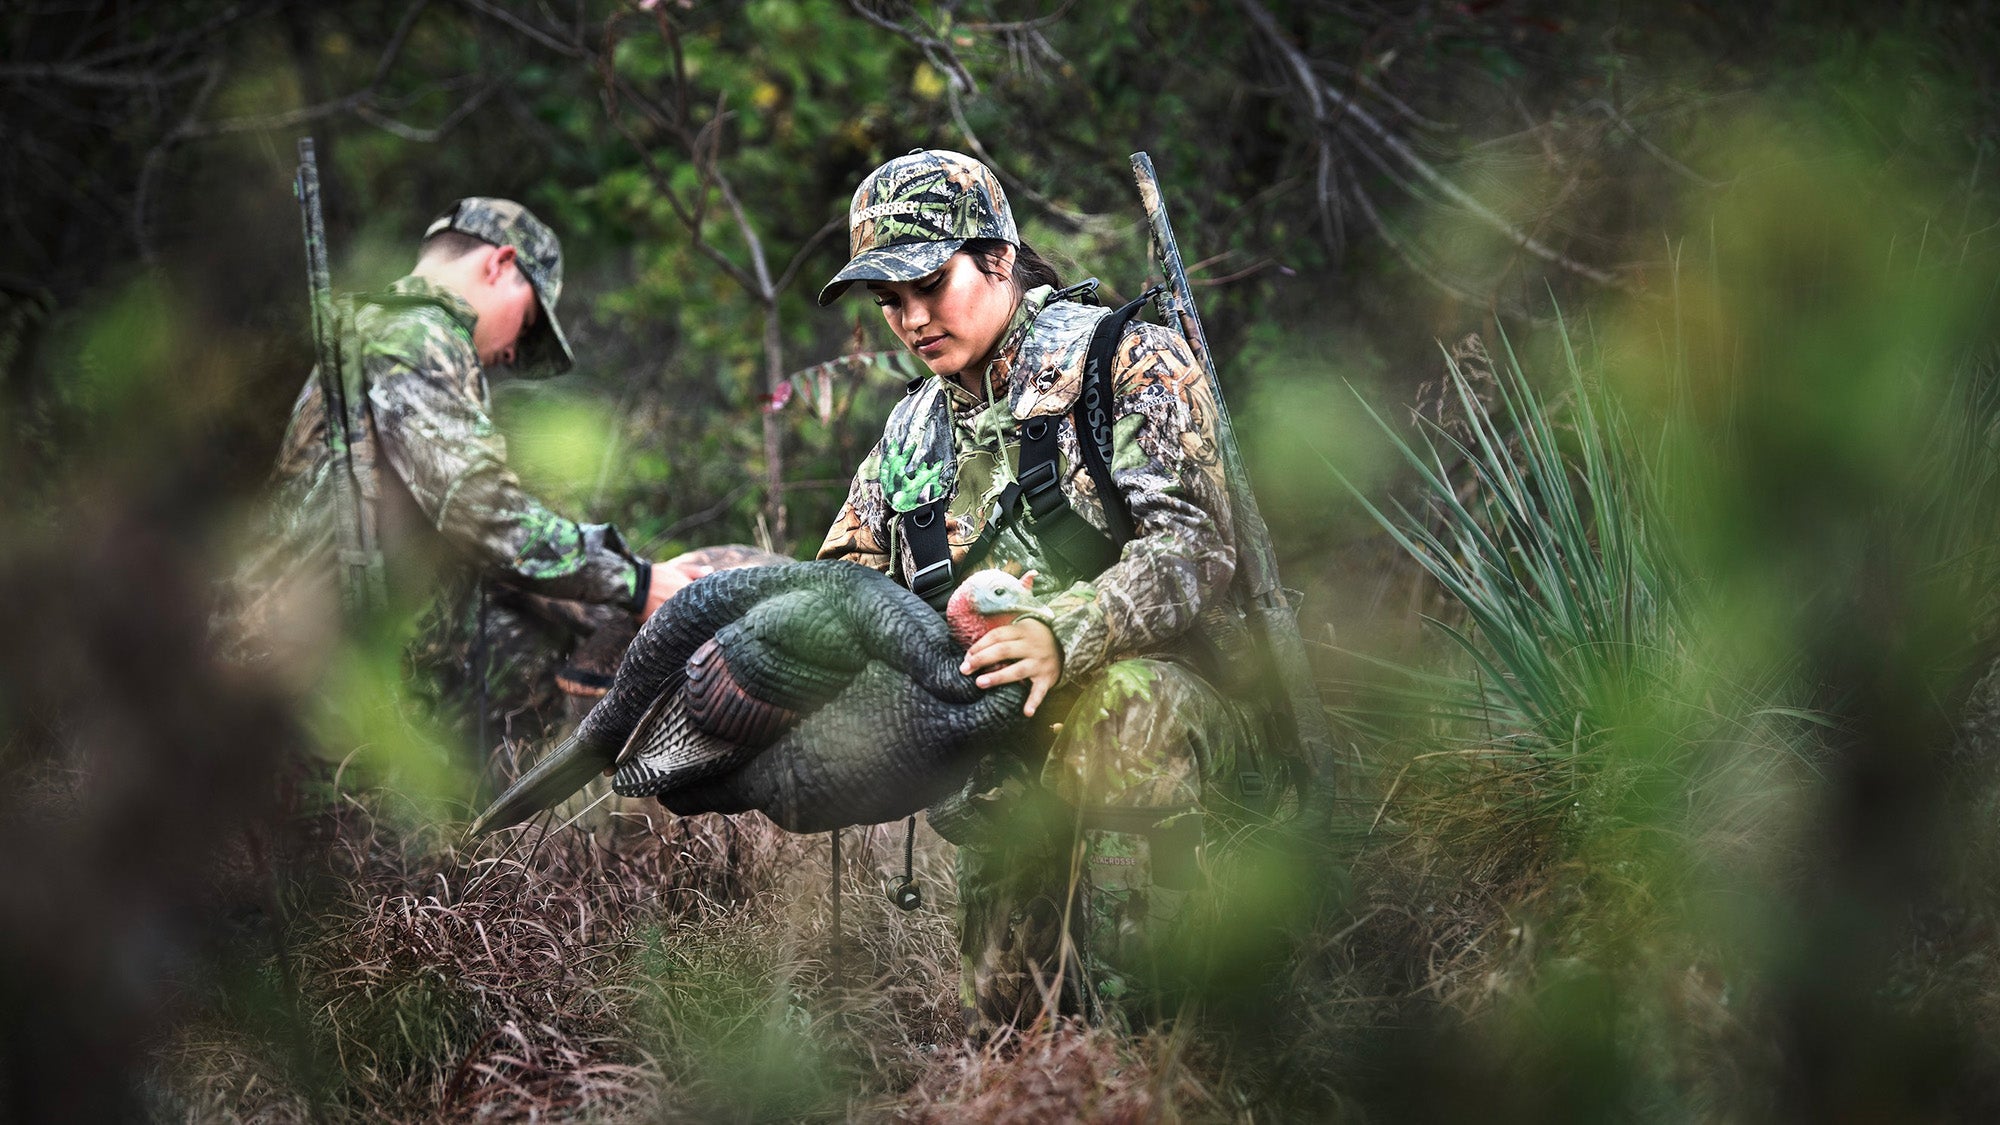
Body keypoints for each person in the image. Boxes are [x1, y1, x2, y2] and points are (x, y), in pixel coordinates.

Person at [816, 150, 1260, 1038]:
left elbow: (1193, 548)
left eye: (927, 284)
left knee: (1129, 708)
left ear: (997, 258)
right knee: (1014, 1027)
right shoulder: (912, 430)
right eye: (888, 301)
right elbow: (844, 584)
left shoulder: (1125, 359)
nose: (909, 319)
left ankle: (1171, 1039)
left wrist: (1064, 629)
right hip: (1011, 752)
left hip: (1186, 714)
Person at [228, 198, 698, 744]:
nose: (513, 353)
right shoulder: (416, 338)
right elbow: (487, 515)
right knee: (544, 642)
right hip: (293, 672)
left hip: (293, 654)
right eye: (527, 323)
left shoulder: (379, 333)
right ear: (499, 263)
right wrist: (637, 582)